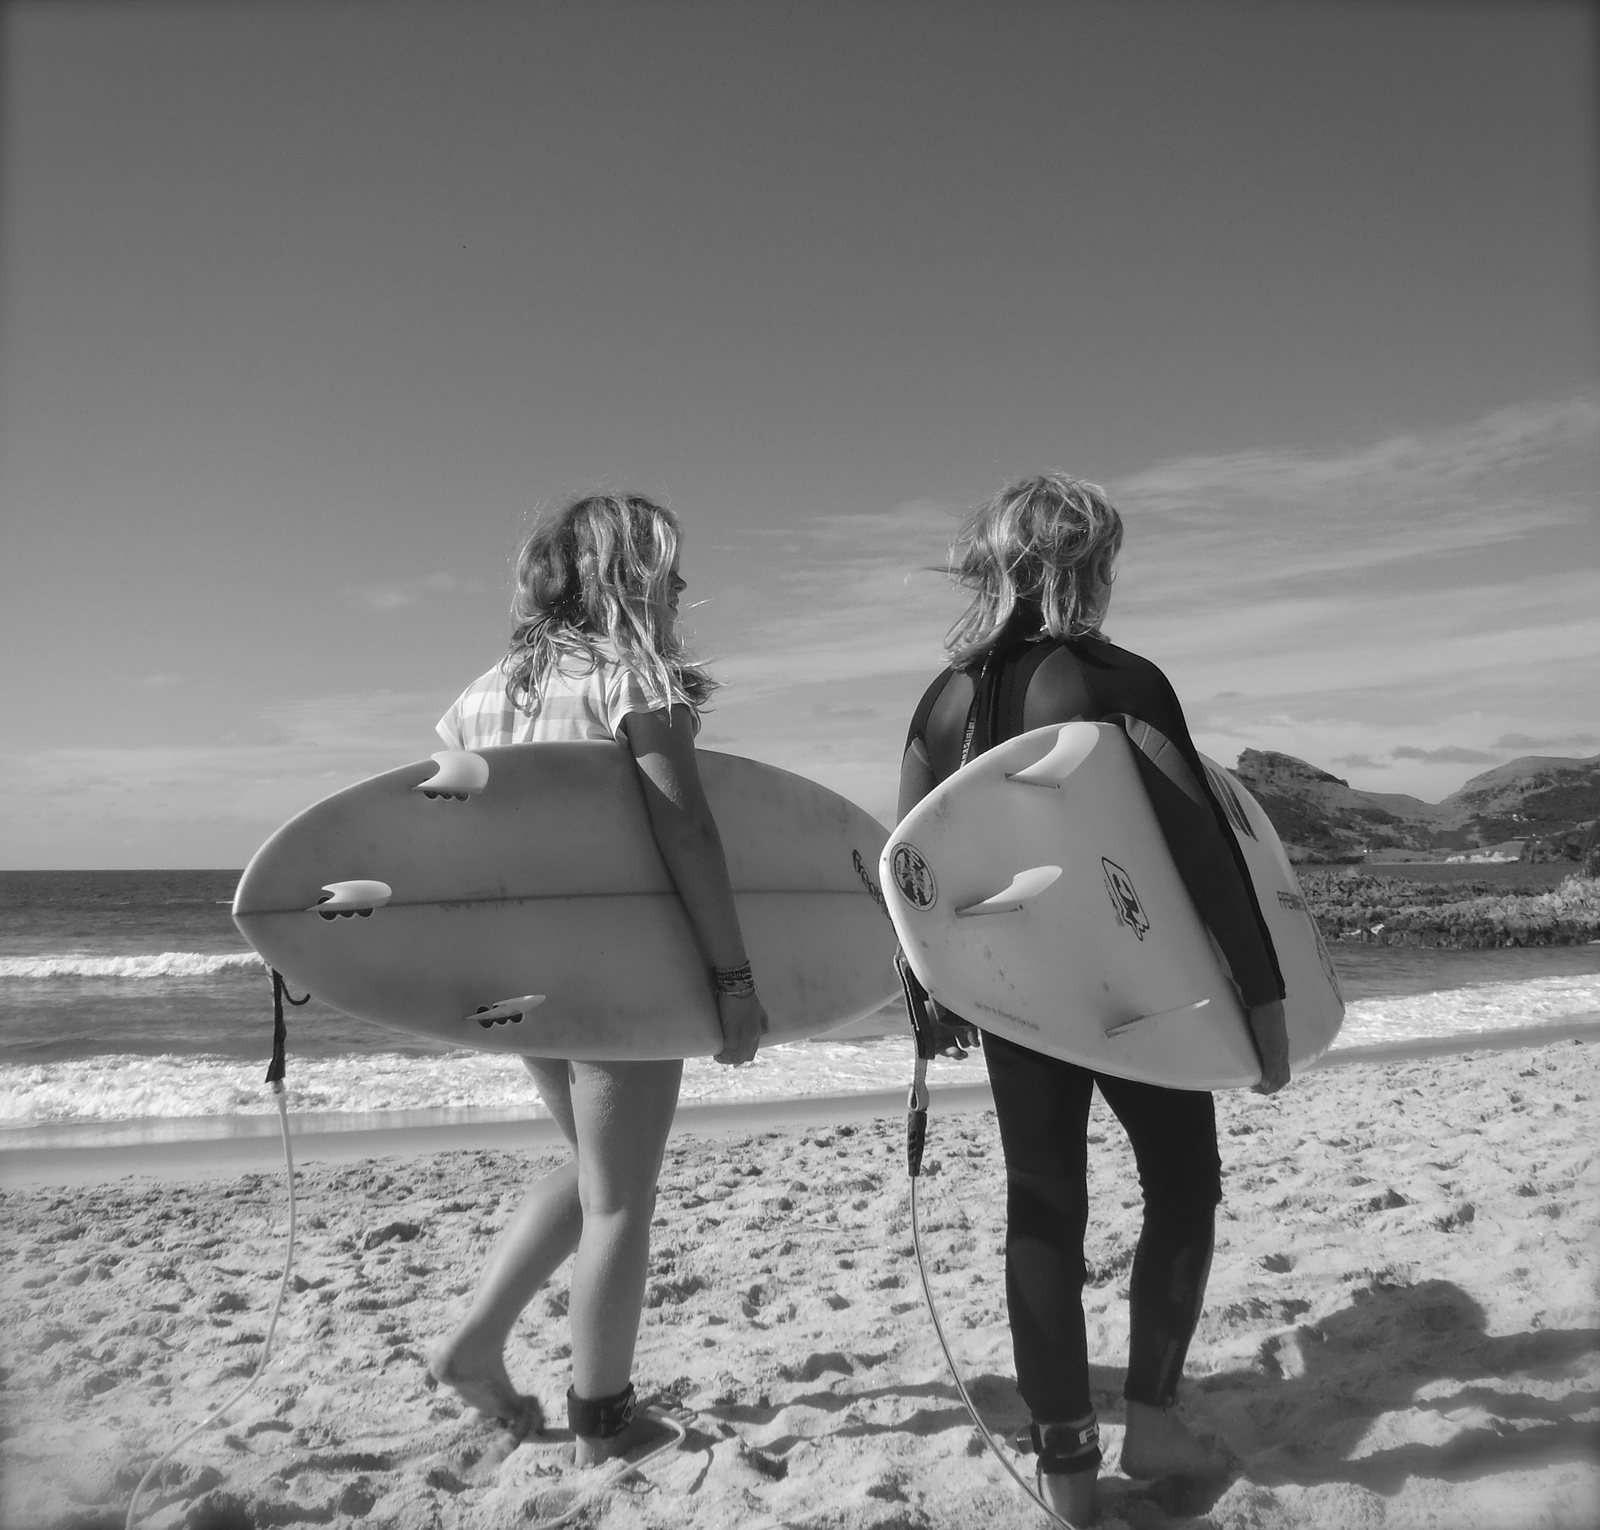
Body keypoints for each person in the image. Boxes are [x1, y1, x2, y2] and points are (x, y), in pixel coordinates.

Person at [896, 474, 1290, 1525]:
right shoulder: (1115, 677)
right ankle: (1152, 1417)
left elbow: (912, 878)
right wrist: (1262, 998)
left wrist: (925, 1001)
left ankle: (1066, 1473)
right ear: (1084, 565)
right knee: (1182, 1182)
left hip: (1015, 1000)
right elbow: (1201, 844)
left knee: (1043, 1208)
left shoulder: (939, 701)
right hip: (1131, 990)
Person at [427, 492, 768, 1465]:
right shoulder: (634, 681)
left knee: (593, 1167)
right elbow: (688, 832)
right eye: (671, 568)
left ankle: (473, 1341)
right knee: (621, 1198)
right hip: (621, 977)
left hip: (520, 975)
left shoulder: (476, 697)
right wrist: (733, 979)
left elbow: (459, 847)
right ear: (628, 578)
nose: (685, 586)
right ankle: (605, 1422)